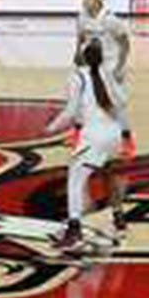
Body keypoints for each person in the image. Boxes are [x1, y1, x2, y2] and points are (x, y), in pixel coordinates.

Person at [43, 41, 128, 251]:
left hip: (94, 135)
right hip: (113, 133)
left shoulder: (77, 76)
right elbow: (122, 101)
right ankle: (119, 216)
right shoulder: (107, 73)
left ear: (80, 56)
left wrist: (50, 128)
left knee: (75, 181)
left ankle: (74, 231)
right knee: (108, 175)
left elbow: (70, 111)